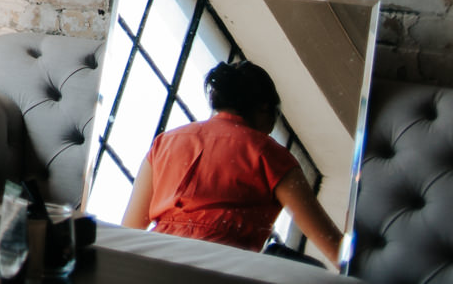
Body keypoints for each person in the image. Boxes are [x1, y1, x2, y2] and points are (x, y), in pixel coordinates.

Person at [121, 60, 344, 266]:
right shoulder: (270, 154)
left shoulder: (165, 143)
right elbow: (332, 245)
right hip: (224, 266)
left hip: (154, 262)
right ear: (265, 108)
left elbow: (128, 232)